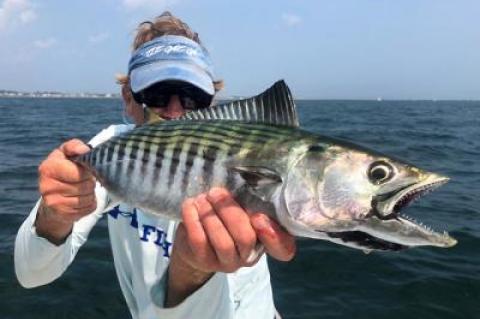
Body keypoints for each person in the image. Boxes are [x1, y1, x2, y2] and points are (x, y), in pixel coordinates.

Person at [14, 12, 296, 319]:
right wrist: (55, 214)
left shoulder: (247, 149)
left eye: (192, 98)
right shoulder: (111, 151)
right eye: (158, 95)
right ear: (130, 98)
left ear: (212, 101)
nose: (175, 111)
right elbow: (32, 274)